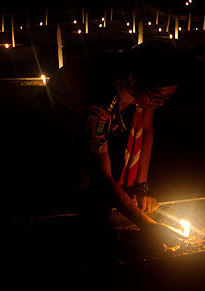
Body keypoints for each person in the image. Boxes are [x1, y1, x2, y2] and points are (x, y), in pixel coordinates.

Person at [42, 40, 184, 251]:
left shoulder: (146, 82)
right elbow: (103, 175)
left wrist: (141, 187)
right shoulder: (100, 104)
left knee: (118, 180)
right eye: (157, 97)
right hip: (62, 102)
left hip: (114, 98)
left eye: (167, 97)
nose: (161, 103)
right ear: (133, 82)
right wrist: (146, 224)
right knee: (82, 178)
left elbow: (146, 129)